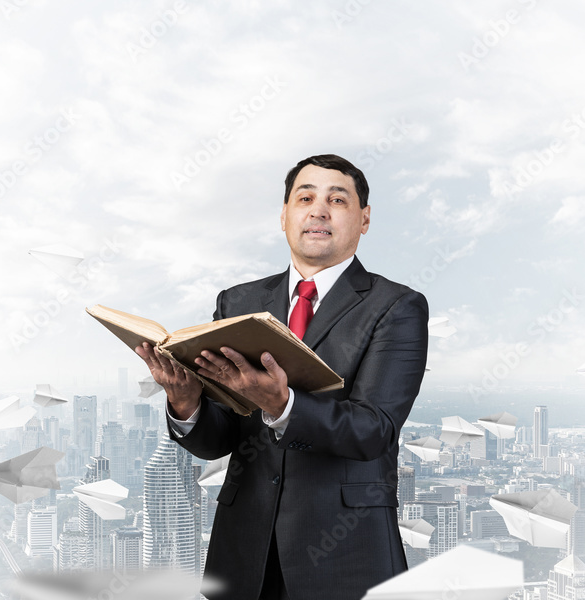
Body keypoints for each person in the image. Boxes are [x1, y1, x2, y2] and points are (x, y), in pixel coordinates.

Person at [135, 154, 428, 600]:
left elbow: (374, 430)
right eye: (305, 197)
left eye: (337, 199)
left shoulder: (396, 306)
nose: (318, 210)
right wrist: (186, 401)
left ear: (364, 219)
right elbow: (218, 439)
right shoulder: (238, 302)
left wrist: (282, 405)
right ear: (285, 216)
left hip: (346, 554)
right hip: (244, 551)